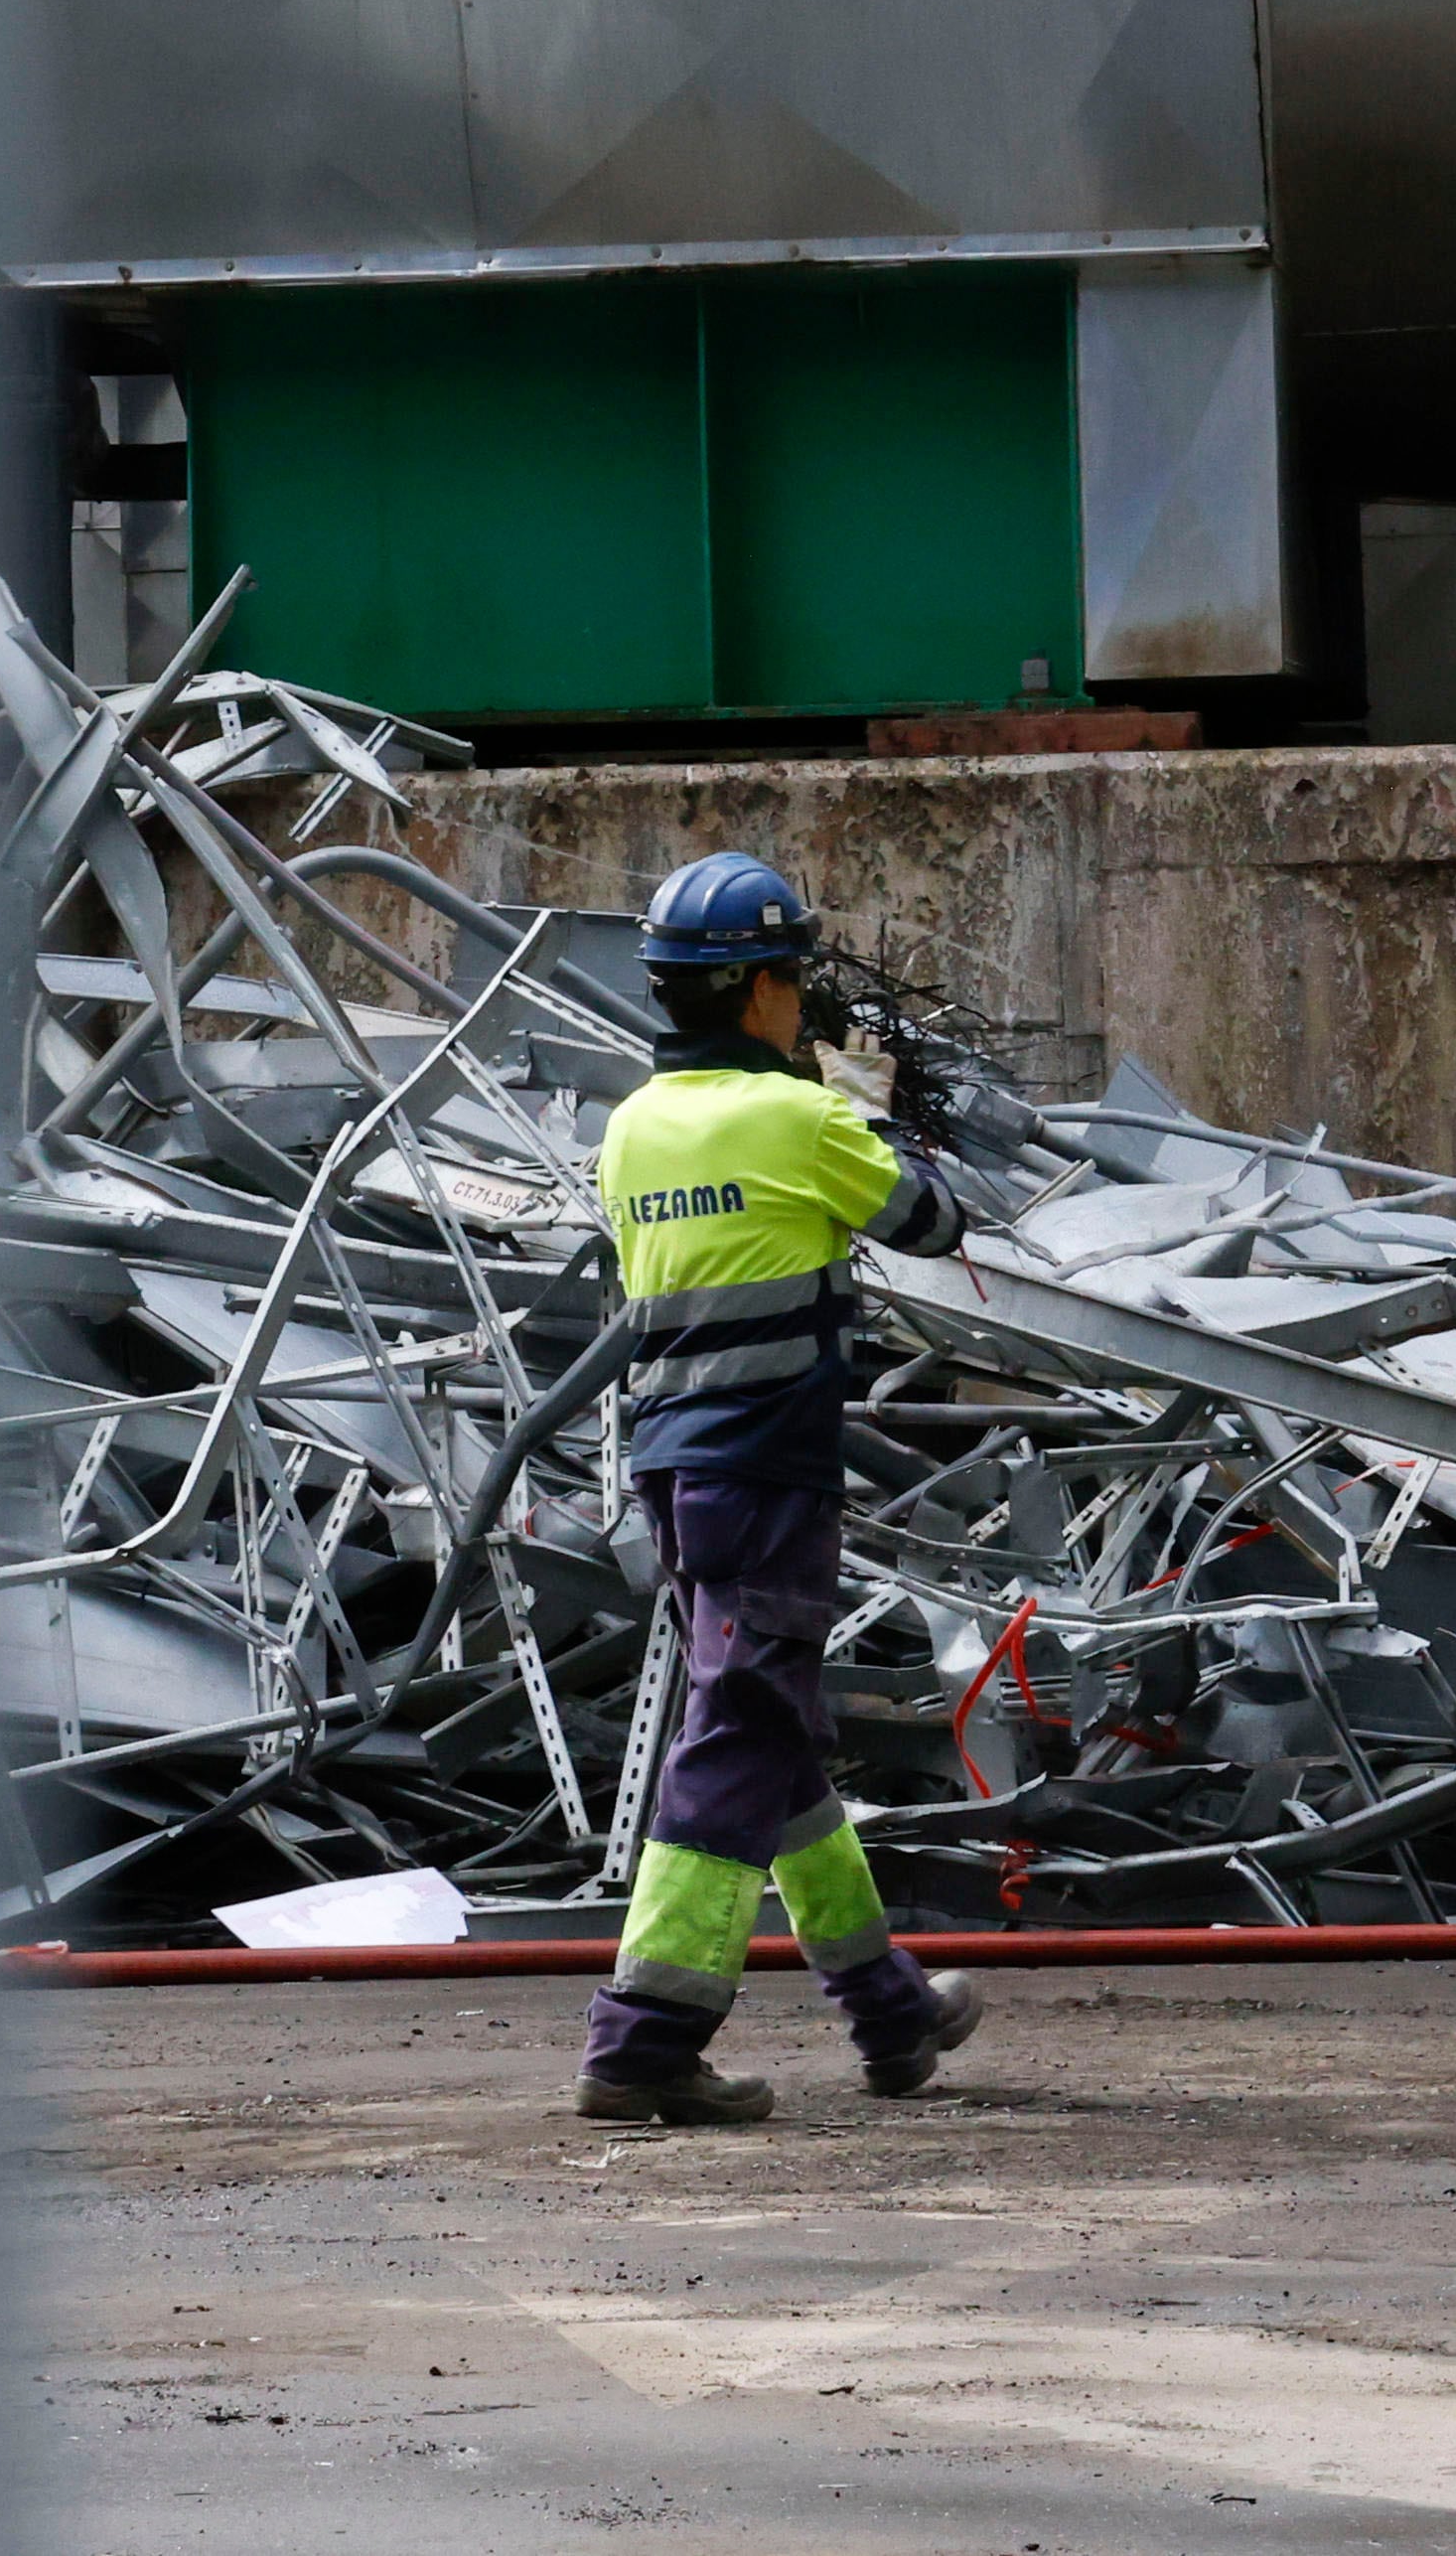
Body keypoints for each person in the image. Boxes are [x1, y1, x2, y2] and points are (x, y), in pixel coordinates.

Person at [572, 850, 985, 2128]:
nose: (802, 999)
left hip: (677, 1468)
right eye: (792, 977)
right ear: (752, 988)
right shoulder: (801, 1123)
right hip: (768, 1474)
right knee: (744, 1734)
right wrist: (857, 1108)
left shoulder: (633, 1127)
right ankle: (641, 2043)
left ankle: (888, 2014)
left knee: (776, 1732)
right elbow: (933, 1223)